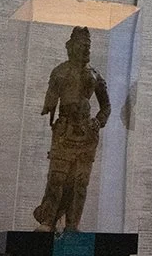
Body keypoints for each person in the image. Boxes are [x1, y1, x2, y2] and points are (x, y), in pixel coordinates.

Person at [33, 26, 111, 232]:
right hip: (65, 130)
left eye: (88, 46)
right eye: (81, 45)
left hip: (87, 133)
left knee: (80, 183)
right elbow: (50, 103)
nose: (86, 49)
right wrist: (50, 107)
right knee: (57, 178)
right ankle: (47, 220)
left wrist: (98, 121)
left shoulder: (94, 75)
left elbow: (106, 106)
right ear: (71, 47)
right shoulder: (60, 72)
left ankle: (72, 225)